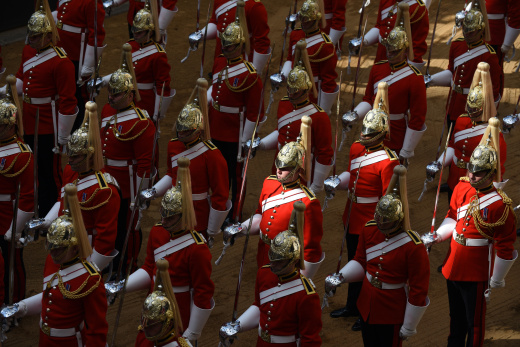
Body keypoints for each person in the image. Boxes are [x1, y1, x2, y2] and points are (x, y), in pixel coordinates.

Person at [422, 120, 517, 346]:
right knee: (456, 321)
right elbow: (453, 217)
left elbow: (505, 245)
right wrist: (438, 235)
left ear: (490, 172)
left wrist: (496, 279)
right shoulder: (462, 187)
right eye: (471, 170)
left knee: (475, 325)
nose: (472, 175)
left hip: (476, 271)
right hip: (453, 264)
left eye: (478, 172)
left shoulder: (500, 205)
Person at [106, 158, 214, 346]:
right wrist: (122, 285)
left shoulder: (197, 248)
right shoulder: (157, 232)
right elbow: (149, 269)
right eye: (163, 214)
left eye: (170, 217)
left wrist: (191, 333)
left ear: (184, 215)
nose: (164, 221)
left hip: (180, 311)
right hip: (154, 304)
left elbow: (203, 293)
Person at [325, 165, 430, 346]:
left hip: (391, 311)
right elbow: (360, 261)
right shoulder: (370, 229)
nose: (380, 223)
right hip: (367, 304)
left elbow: (418, 289)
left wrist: (409, 325)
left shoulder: (413, 246)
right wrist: (341, 277)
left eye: (386, 221)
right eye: (379, 217)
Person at [325, 82, 399, 331]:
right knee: (353, 260)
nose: (363, 137)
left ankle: (365, 311)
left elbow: (389, 197)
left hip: (372, 220)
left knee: (369, 268)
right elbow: (351, 175)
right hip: (353, 213)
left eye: (369, 133)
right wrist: (338, 182)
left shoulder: (389, 161)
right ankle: (352, 305)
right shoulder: (357, 148)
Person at [4, 184, 108, 346]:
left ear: (74, 247)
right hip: (45, 338)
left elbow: (96, 329)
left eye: (59, 249)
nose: (53, 253)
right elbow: (51, 296)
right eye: (51, 247)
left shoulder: (91, 279)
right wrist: (22, 307)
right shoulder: (52, 262)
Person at [2, 0, 78, 218]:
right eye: (30, 35)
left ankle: (48, 214)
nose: (30, 40)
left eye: (35, 36)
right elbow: (21, 80)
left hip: (48, 125)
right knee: (31, 170)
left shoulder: (61, 61)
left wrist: (63, 137)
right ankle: (31, 210)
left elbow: (68, 102)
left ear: (47, 35)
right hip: (28, 121)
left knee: (49, 173)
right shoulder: (28, 51)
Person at [225, 118, 324, 279]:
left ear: (298, 170)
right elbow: (261, 215)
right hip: (264, 252)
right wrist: (241, 229)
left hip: (287, 263)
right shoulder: (269, 183)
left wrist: (301, 281)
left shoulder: (308, 203)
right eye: (278, 165)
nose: (278, 171)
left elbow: (310, 249)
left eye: (285, 168)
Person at [27, 101, 121, 271]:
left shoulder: (106, 190)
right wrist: (47, 220)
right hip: (64, 247)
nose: (70, 161)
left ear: (90, 155)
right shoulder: (70, 170)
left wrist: (90, 270)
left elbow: (105, 240)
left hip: (87, 253)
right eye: (70, 155)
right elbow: (62, 202)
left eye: (76, 157)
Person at [219, 201, 322, 346]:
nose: (272, 264)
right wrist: (238, 326)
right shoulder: (264, 272)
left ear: (293, 261)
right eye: (272, 258)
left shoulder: (306, 295)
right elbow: (259, 306)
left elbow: (310, 339)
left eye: (279, 261)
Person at [140, 79, 230, 241]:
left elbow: (220, 195)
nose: (180, 135)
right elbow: (171, 174)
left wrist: (212, 230)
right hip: (173, 212)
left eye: (186, 131)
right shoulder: (173, 145)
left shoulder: (212, 155)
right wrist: (154, 191)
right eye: (180, 130)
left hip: (198, 217)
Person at [342, 3, 426, 163]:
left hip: (396, 134)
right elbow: (369, 99)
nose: (389, 54)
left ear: (404, 50)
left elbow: (417, 118)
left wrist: (406, 150)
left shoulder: (414, 78)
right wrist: (356, 114)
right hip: (371, 132)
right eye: (388, 49)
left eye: (394, 51)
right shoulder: (378, 69)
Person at [100, 43, 155, 273]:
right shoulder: (105, 111)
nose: (111, 98)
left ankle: (127, 266)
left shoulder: (142, 122)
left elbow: (145, 163)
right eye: (110, 93)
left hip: (127, 185)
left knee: (127, 228)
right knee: (108, 228)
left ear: (130, 95)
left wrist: (140, 194)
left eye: (117, 94)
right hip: (107, 181)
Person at [208, 5, 265, 220]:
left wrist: (245, 138)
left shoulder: (250, 75)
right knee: (218, 175)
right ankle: (219, 209)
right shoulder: (219, 62)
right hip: (216, 127)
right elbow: (215, 93)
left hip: (235, 131)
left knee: (236, 175)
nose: (226, 48)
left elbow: (253, 112)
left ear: (240, 46)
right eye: (224, 44)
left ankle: (236, 213)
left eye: (231, 46)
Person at [425, 62, 506, 202]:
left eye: (475, 110)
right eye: (470, 107)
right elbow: (452, 146)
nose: (471, 112)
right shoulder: (462, 120)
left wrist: (489, 194)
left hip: (475, 184)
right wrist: (439, 163)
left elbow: (499, 168)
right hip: (454, 179)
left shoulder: (493, 132)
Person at [258, 45, 333, 192]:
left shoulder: (319, 116)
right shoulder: (284, 103)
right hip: (279, 166)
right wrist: (262, 144)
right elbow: (280, 132)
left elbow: (325, 153)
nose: (291, 95)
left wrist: (316, 185)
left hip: (301, 173)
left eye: (295, 92)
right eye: (289, 91)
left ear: (306, 90)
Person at [427, 0, 501, 130]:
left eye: (471, 32)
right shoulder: (457, 45)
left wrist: (487, 117)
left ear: (480, 30)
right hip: (453, 104)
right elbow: (452, 73)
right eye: (465, 30)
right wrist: (431, 80)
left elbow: (494, 91)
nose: (467, 34)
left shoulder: (489, 55)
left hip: (473, 110)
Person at [0, 75, 34, 303]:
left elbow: (29, 198)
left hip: (8, 214)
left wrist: (15, 228)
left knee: (11, 261)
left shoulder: (22, 154)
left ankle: (15, 301)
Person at [53, 0, 106, 131]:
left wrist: (88, 64)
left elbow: (97, 35)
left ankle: (84, 130)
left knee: (80, 97)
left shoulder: (91, 2)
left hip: (78, 57)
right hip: (61, 53)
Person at [281, 0, 338, 114]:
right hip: (294, 89)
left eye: (308, 21)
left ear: (316, 20)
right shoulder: (295, 34)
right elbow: (289, 58)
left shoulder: (325, 46)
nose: (304, 23)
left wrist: (323, 109)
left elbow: (328, 81)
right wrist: (284, 74)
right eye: (302, 19)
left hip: (313, 93)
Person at [189, 0, 271, 72]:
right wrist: (200, 35)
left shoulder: (255, 6)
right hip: (220, 58)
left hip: (241, 64)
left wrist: (256, 71)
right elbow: (216, 23)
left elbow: (262, 41)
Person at [138, 259, 193, 347]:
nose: (145, 328)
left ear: (168, 323)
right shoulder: (143, 337)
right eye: (144, 321)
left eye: (152, 325)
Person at [363, 0, 429, 69]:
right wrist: (364, 41)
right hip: (381, 55)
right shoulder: (385, 1)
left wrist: (409, 71)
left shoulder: (418, 8)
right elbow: (380, 26)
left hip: (400, 61)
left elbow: (417, 45)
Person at [103, 0, 178, 45]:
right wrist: (114, 2)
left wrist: (160, 27)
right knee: (135, 51)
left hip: (151, 21)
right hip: (133, 16)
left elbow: (169, 2)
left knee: (151, 57)